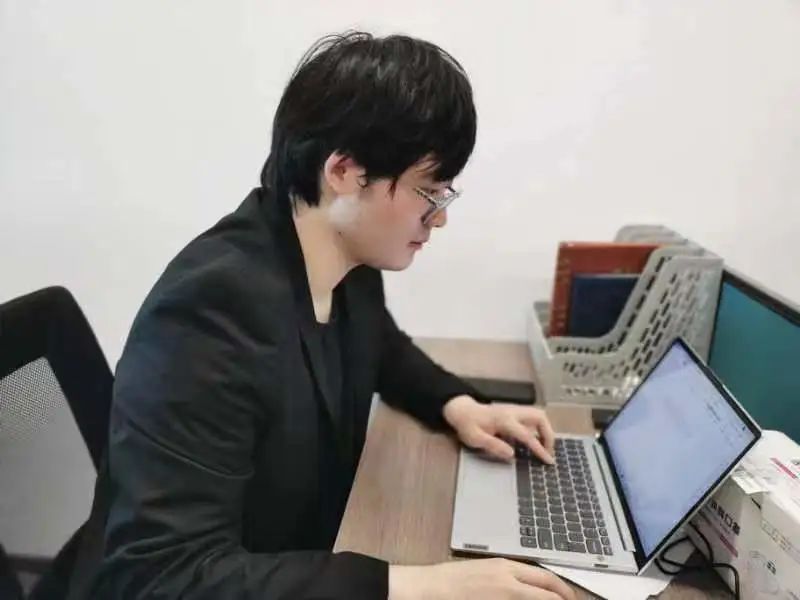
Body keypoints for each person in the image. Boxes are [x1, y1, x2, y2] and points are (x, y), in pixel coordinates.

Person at [72, 31, 576, 600]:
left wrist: (460, 406)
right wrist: (418, 586)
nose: (439, 219)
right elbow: (166, 575)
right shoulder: (210, 313)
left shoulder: (345, 262)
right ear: (344, 172)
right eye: (428, 193)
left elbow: (382, 348)